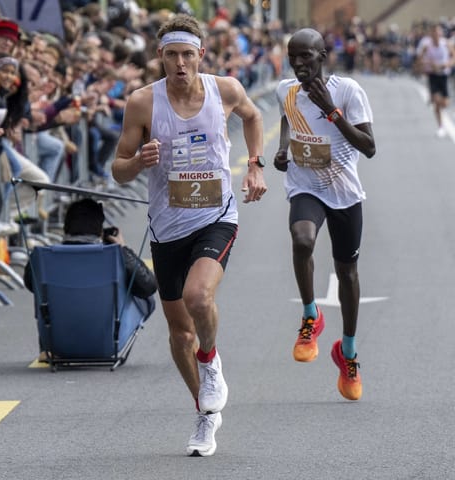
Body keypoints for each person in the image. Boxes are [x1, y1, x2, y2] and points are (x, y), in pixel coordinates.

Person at [111, 14, 266, 457]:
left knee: (200, 298)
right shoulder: (142, 103)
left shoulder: (226, 90)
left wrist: (255, 164)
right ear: (160, 57)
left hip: (216, 217)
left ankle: (211, 361)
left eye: (188, 54)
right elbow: (118, 170)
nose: (180, 63)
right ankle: (204, 413)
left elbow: (254, 117)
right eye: (171, 55)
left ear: (201, 55)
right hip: (167, 227)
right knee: (180, 334)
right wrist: (139, 160)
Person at [273, 28, 376, 402]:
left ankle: (347, 353)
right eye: (293, 57)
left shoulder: (348, 91)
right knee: (302, 239)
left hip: (344, 192)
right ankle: (310, 316)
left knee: (347, 272)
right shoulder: (285, 90)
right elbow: (289, 117)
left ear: (323, 55)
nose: (299, 64)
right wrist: (284, 150)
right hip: (306, 187)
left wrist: (332, 111)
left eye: (307, 57)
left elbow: (369, 147)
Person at [23, 197, 158, 360]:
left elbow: (31, 285)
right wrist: (123, 248)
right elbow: (149, 287)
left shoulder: (43, 257)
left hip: (57, 343)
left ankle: (46, 348)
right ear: (100, 231)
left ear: (65, 228)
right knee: (143, 292)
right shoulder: (114, 255)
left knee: (41, 290)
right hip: (107, 342)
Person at [417, 23, 455, 138]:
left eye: (438, 32)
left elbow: (453, 57)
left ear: (441, 33)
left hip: (443, 76)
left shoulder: (446, 43)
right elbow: (420, 60)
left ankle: (438, 104)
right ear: (431, 34)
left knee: (445, 103)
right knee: (436, 101)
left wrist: (446, 64)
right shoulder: (427, 46)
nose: (436, 35)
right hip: (433, 75)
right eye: (434, 33)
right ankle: (441, 127)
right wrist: (429, 64)